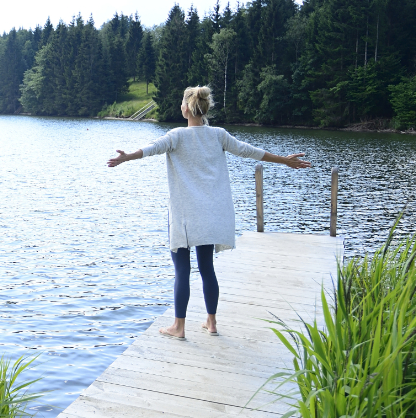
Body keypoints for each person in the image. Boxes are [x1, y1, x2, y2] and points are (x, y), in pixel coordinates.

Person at [106, 86, 311, 339]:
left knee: (182, 270)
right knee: (207, 268)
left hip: (184, 216)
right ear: (204, 109)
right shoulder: (218, 135)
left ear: (185, 109)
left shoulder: (177, 135)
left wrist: (126, 157)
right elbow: (250, 151)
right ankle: (211, 323)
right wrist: (285, 160)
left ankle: (178, 327)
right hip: (211, 215)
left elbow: (150, 148)